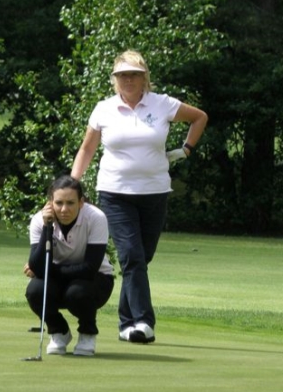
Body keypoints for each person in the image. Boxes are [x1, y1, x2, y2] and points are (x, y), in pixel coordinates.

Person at [70, 49, 208, 344]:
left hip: (155, 192)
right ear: (114, 79)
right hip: (115, 193)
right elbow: (87, 149)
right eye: (122, 75)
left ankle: (125, 322)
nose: (128, 80)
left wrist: (185, 149)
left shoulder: (163, 104)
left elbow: (200, 118)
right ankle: (144, 322)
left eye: (134, 74)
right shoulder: (104, 109)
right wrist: (72, 185)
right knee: (132, 256)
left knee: (141, 259)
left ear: (145, 77)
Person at [24, 175, 115, 356]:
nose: (64, 209)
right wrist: (47, 228)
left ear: (81, 202)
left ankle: (87, 332)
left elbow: (89, 268)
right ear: (50, 203)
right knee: (35, 291)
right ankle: (59, 331)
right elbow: (36, 265)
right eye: (58, 203)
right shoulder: (38, 220)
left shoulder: (96, 218)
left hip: (96, 280)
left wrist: (48, 270)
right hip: (60, 281)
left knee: (77, 293)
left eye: (70, 203)